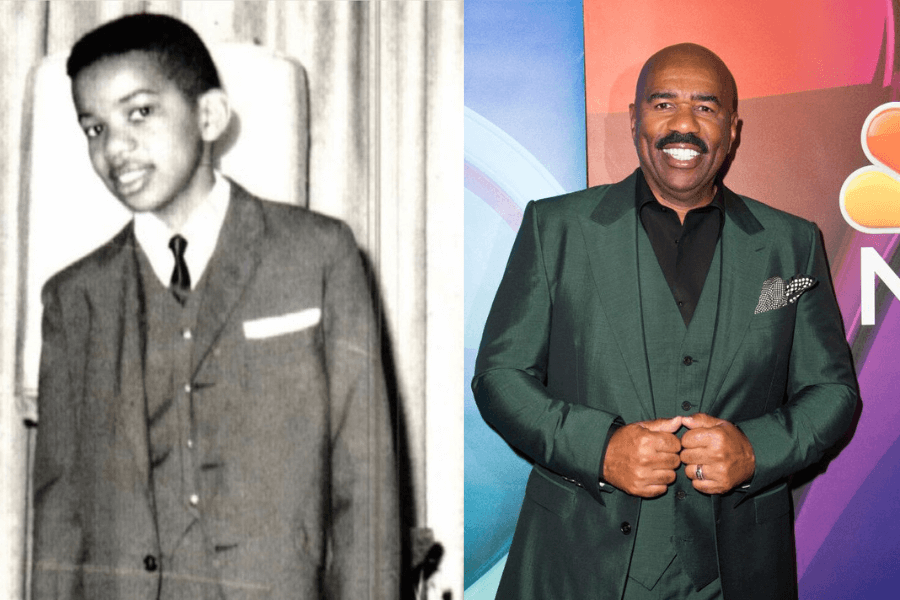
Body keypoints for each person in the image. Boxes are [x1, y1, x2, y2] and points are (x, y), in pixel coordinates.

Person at [472, 43, 858, 600]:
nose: (684, 125)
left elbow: (833, 392)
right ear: (635, 121)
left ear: (733, 129)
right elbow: (500, 376)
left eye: (705, 107)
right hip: (575, 566)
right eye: (662, 104)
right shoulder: (554, 229)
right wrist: (598, 449)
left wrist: (754, 450)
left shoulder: (790, 246)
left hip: (737, 572)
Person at [31, 13, 398, 599]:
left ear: (209, 116)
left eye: (140, 112)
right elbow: (59, 517)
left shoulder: (318, 256)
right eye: (94, 128)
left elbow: (366, 487)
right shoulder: (74, 300)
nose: (115, 147)